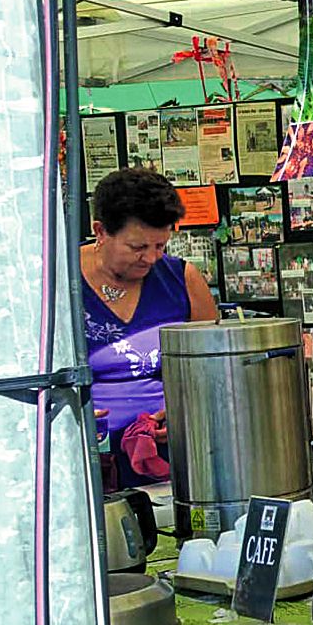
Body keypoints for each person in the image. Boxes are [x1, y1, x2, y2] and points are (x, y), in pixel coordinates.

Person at [83, 169, 218, 487]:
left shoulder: (182, 279)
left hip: (171, 454)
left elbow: (214, 370)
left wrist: (184, 414)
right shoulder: (59, 284)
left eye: (160, 245)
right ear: (100, 231)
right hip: (89, 457)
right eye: (137, 247)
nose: (151, 258)